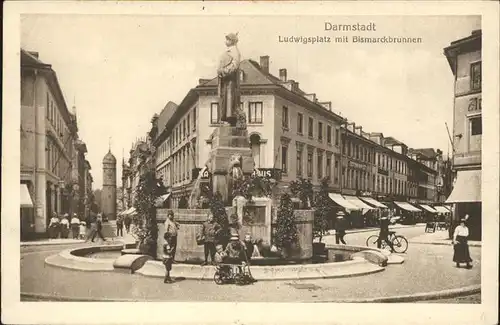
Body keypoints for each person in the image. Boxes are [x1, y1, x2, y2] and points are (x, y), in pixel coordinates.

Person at [217, 33, 241, 126]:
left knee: (229, 99)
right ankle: (225, 118)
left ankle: (229, 119)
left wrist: (224, 71)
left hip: (231, 79)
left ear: (232, 41)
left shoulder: (235, 51)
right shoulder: (228, 51)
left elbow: (235, 64)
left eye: (228, 39)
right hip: (224, 79)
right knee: (224, 98)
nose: (226, 41)